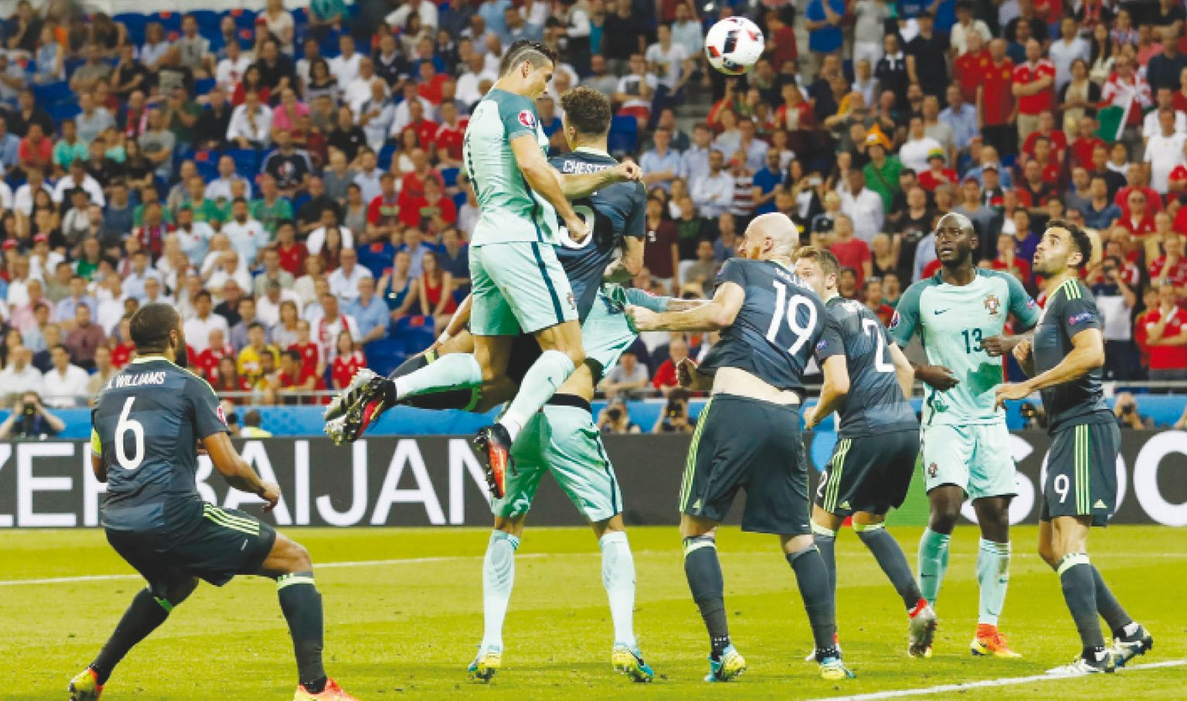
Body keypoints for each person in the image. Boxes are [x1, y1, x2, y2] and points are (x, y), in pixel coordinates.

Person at [325, 88, 687, 683]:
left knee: (489, 409)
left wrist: (456, 322)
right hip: (561, 391)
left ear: (564, 128)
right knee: (609, 527)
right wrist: (605, 263)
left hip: (512, 306)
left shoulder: (540, 169)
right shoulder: (627, 184)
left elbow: (512, 252)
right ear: (608, 127)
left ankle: (489, 646)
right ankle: (624, 643)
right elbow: (635, 267)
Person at [327, 48, 640, 499]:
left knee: (486, 366)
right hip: (521, 240)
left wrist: (611, 177)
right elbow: (537, 171)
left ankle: (388, 389)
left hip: (486, 240)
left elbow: (543, 174)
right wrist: (569, 217)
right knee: (569, 351)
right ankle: (505, 432)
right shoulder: (519, 106)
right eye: (546, 76)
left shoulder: (481, 114)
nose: (547, 87)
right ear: (525, 68)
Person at [68, 304, 356, 701]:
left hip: (118, 522)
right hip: (172, 515)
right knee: (294, 560)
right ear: (173, 336)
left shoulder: (105, 394)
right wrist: (262, 487)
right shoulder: (189, 385)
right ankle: (315, 688)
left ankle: (94, 675)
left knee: (175, 583)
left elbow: (101, 470)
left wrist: (176, 448)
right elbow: (229, 466)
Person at [625, 213, 853, 681]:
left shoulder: (744, 269)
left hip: (734, 412)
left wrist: (656, 320)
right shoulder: (814, 302)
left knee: (696, 529)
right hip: (785, 418)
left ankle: (723, 651)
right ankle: (830, 656)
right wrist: (705, 377)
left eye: (747, 240)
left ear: (766, 243)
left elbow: (722, 314)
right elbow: (775, 354)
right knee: (799, 539)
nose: (741, 247)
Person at [997, 221, 1153, 676]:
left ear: (1075, 259)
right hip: (1066, 429)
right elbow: (1068, 362)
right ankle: (1127, 632)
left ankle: (1093, 655)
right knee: (1049, 548)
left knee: (1071, 543)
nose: (1041, 246)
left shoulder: (1073, 297)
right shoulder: (1049, 307)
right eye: (1042, 239)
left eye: (1054, 241)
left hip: (1085, 428)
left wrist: (1027, 381)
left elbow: (1092, 354)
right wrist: (1034, 362)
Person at [887, 212, 1040, 658]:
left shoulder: (1003, 287)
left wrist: (1013, 343)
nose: (943, 240)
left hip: (990, 416)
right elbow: (886, 345)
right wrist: (920, 370)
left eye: (953, 232)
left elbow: (1044, 328)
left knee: (996, 515)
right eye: (939, 234)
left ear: (974, 240)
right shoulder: (921, 295)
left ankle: (987, 631)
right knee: (947, 509)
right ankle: (924, 618)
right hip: (945, 417)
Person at [794, 246, 936, 657]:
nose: (799, 281)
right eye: (795, 274)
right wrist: (895, 415)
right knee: (868, 522)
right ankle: (918, 606)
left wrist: (814, 415)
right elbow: (906, 369)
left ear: (830, 281)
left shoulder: (826, 319)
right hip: (905, 427)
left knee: (820, 529)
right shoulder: (866, 313)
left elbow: (837, 385)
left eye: (807, 274)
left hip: (865, 431)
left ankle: (827, 640)